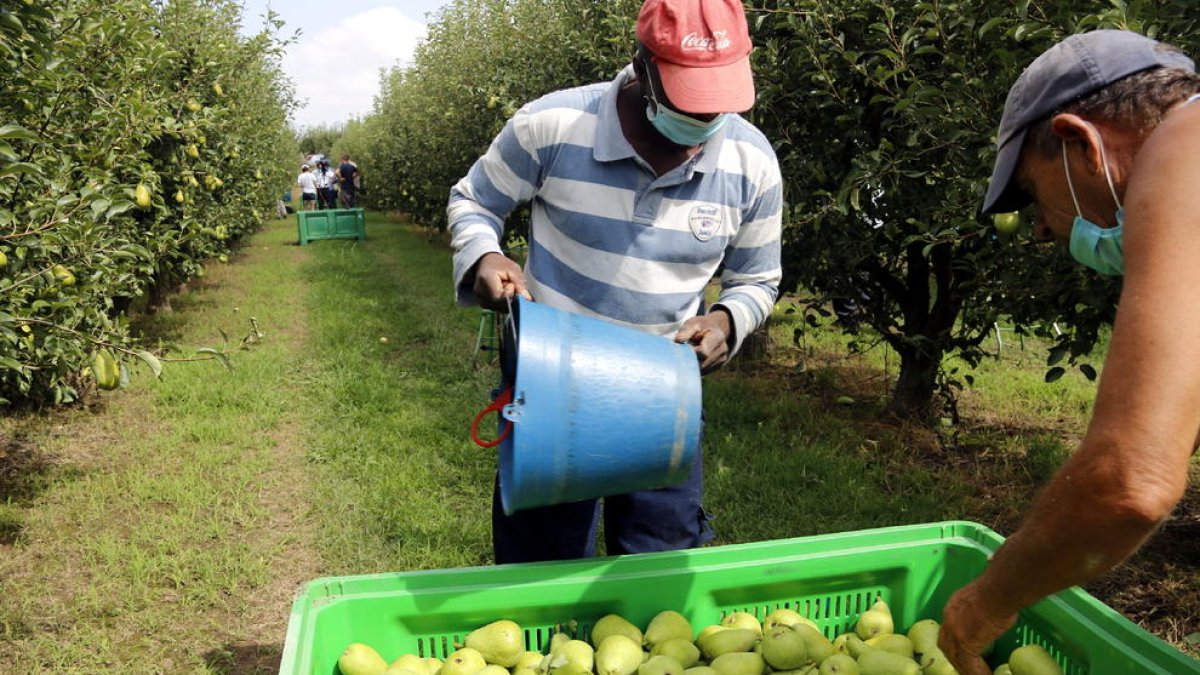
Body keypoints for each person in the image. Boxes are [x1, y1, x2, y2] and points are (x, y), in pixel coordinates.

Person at [447, 0, 782, 565]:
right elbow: (474, 201)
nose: (704, 122)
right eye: (689, 101)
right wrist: (484, 255)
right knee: (541, 566)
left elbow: (758, 277)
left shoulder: (751, 162)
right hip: (552, 385)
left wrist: (727, 320)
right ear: (642, 65)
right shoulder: (551, 126)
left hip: (665, 391)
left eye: (718, 103)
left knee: (660, 561)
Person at [938, 30, 1200, 675]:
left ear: (1081, 142)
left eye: (1032, 194)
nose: (1044, 230)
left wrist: (985, 603)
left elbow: (1130, 484)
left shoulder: (1185, 147)